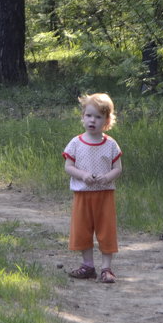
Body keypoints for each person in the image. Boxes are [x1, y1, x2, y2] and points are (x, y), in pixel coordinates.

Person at [62, 92, 123, 284]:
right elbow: (68, 166)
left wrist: (107, 177)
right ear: (83, 117)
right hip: (82, 195)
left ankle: (107, 268)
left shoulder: (111, 144)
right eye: (89, 115)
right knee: (82, 230)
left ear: (106, 120)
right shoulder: (76, 143)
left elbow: (118, 168)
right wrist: (83, 175)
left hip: (104, 195)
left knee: (106, 231)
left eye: (98, 117)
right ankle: (88, 266)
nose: (92, 120)